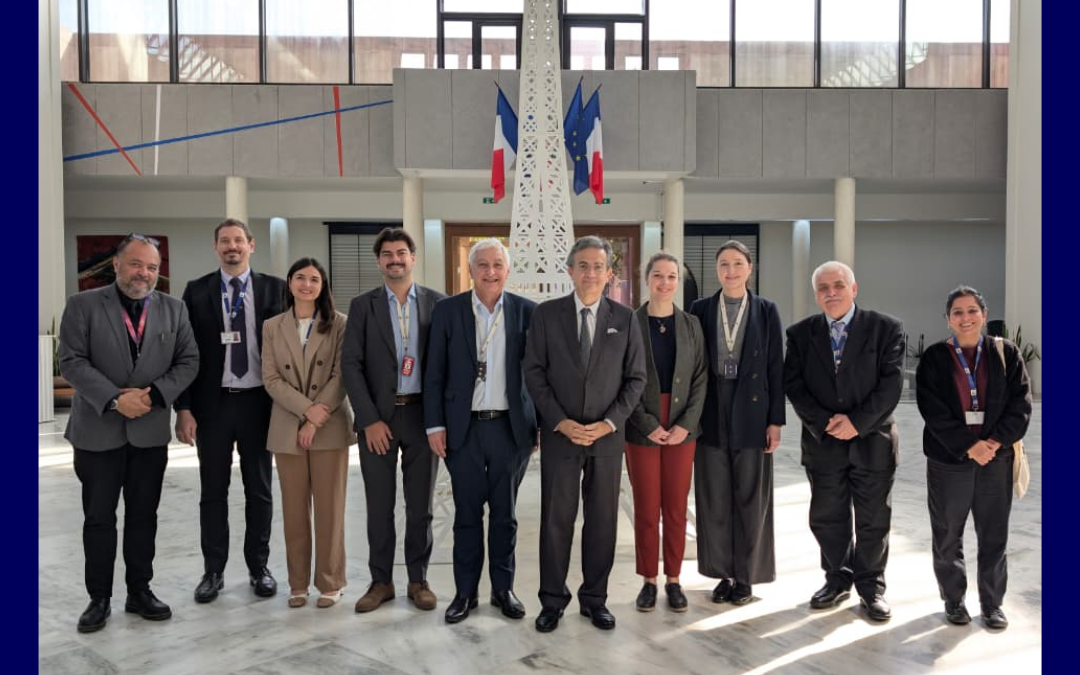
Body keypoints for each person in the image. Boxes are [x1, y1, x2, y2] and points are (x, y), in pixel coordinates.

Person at [59, 233, 199, 633]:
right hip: (97, 432)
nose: (144, 273)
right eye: (136, 264)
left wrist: (152, 396)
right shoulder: (83, 305)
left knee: (143, 516)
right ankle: (99, 598)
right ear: (117, 264)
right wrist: (114, 399)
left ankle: (139, 591)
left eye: (152, 267)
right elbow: (71, 361)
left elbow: (188, 361)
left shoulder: (174, 309)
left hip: (148, 433)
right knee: (99, 518)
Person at [524, 235, 647, 633]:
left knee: (602, 521)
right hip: (561, 436)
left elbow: (636, 378)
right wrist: (559, 421)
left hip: (606, 438)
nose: (590, 273)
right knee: (556, 521)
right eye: (583, 266)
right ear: (570, 271)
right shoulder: (546, 315)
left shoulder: (625, 318)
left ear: (609, 273)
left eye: (598, 266)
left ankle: (595, 599)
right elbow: (534, 373)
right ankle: (552, 600)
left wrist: (609, 423)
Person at [423, 239, 538, 624]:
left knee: (505, 516)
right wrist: (435, 425)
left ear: (508, 270)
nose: (491, 272)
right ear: (470, 270)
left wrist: (536, 425)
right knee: (467, 515)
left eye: (497, 265)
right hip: (464, 429)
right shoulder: (448, 311)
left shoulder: (527, 312)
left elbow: (539, 376)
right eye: (483, 265)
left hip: (510, 429)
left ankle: (503, 590)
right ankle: (465, 592)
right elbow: (434, 372)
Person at [783, 260, 904, 622]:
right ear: (816, 294)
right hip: (824, 443)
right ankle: (837, 579)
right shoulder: (800, 334)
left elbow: (891, 385)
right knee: (827, 517)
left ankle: (871, 587)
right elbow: (794, 385)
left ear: (853, 289)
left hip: (872, 441)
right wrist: (825, 422)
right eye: (823, 288)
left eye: (838, 285)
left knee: (873, 520)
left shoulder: (886, 328)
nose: (831, 293)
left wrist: (857, 423)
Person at [174, 218, 287, 603]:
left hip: (259, 403)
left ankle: (259, 567)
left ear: (251, 245)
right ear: (216, 247)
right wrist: (184, 408)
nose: (232, 246)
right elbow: (184, 354)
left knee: (260, 489)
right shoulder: (197, 291)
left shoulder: (275, 288)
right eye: (225, 241)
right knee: (213, 491)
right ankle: (213, 570)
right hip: (213, 405)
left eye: (239, 240)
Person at [342, 227, 446, 613]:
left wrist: (440, 421)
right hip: (379, 419)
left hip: (422, 416)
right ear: (379, 261)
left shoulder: (437, 303)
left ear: (413, 258)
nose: (395, 260)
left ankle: (418, 580)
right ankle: (381, 581)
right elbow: (351, 365)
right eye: (387, 254)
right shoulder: (362, 306)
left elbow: (447, 364)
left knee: (421, 506)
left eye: (401, 253)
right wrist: (368, 419)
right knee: (379, 505)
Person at [915, 285, 1031, 629]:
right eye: (958, 312)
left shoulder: (1006, 353)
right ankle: (954, 600)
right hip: (949, 461)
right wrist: (969, 446)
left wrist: (993, 442)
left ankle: (992, 604)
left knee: (994, 535)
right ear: (948, 320)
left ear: (984, 314)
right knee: (947, 534)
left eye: (972, 311)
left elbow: (1021, 405)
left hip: (996, 459)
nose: (965, 318)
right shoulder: (935, 358)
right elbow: (932, 410)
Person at [689, 240, 785, 606]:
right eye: (724, 265)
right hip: (711, 407)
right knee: (714, 495)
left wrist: (775, 421)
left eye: (737, 264)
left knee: (750, 495)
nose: (731, 271)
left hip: (752, 410)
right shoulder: (700, 309)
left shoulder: (766, 310)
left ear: (749, 268)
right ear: (717, 271)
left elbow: (776, 367)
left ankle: (746, 576)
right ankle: (723, 573)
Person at [262, 258, 356, 609]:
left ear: (322, 286)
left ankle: (331, 582)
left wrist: (316, 418)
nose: (306, 284)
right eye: (300, 277)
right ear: (289, 283)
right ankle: (297, 583)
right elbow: (271, 378)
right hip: (287, 425)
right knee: (294, 511)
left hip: (328, 425)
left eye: (314, 279)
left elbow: (342, 374)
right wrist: (305, 411)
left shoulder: (340, 323)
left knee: (330, 510)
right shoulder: (272, 326)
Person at [625, 252, 707, 613]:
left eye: (672, 276)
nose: (665, 282)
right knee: (646, 506)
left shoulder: (691, 324)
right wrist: (646, 424)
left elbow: (701, 377)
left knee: (675, 506)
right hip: (640, 423)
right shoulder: (629, 323)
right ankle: (648, 579)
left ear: (679, 281)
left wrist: (686, 424)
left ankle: (674, 579)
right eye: (658, 275)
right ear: (647, 279)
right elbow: (622, 379)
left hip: (681, 426)